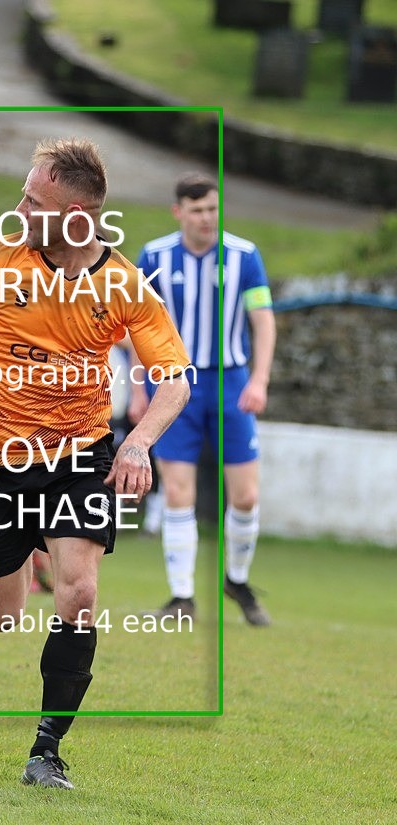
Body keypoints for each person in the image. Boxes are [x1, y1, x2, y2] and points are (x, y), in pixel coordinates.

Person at [0, 138, 190, 789]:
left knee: (82, 592)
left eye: (32, 200)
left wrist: (136, 442)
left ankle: (47, 749)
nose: (19, 208)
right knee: (2, 614)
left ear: (74, 213)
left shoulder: (122, 284)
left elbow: (174, 379)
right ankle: (34, 553)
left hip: (78, 453)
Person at [133, 172, 276, 627]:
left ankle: (236, 580)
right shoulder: (154, 256)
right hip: (174, 385)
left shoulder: (244, 256)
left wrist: (260, 379)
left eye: (213, 209)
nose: (206, 219)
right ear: (179, 212)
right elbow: (136, 327)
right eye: (197, 211)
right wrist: (139, 389)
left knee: (247, 495)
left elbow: (263, 320)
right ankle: (182, 597)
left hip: (232, 384)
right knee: (177, 492)